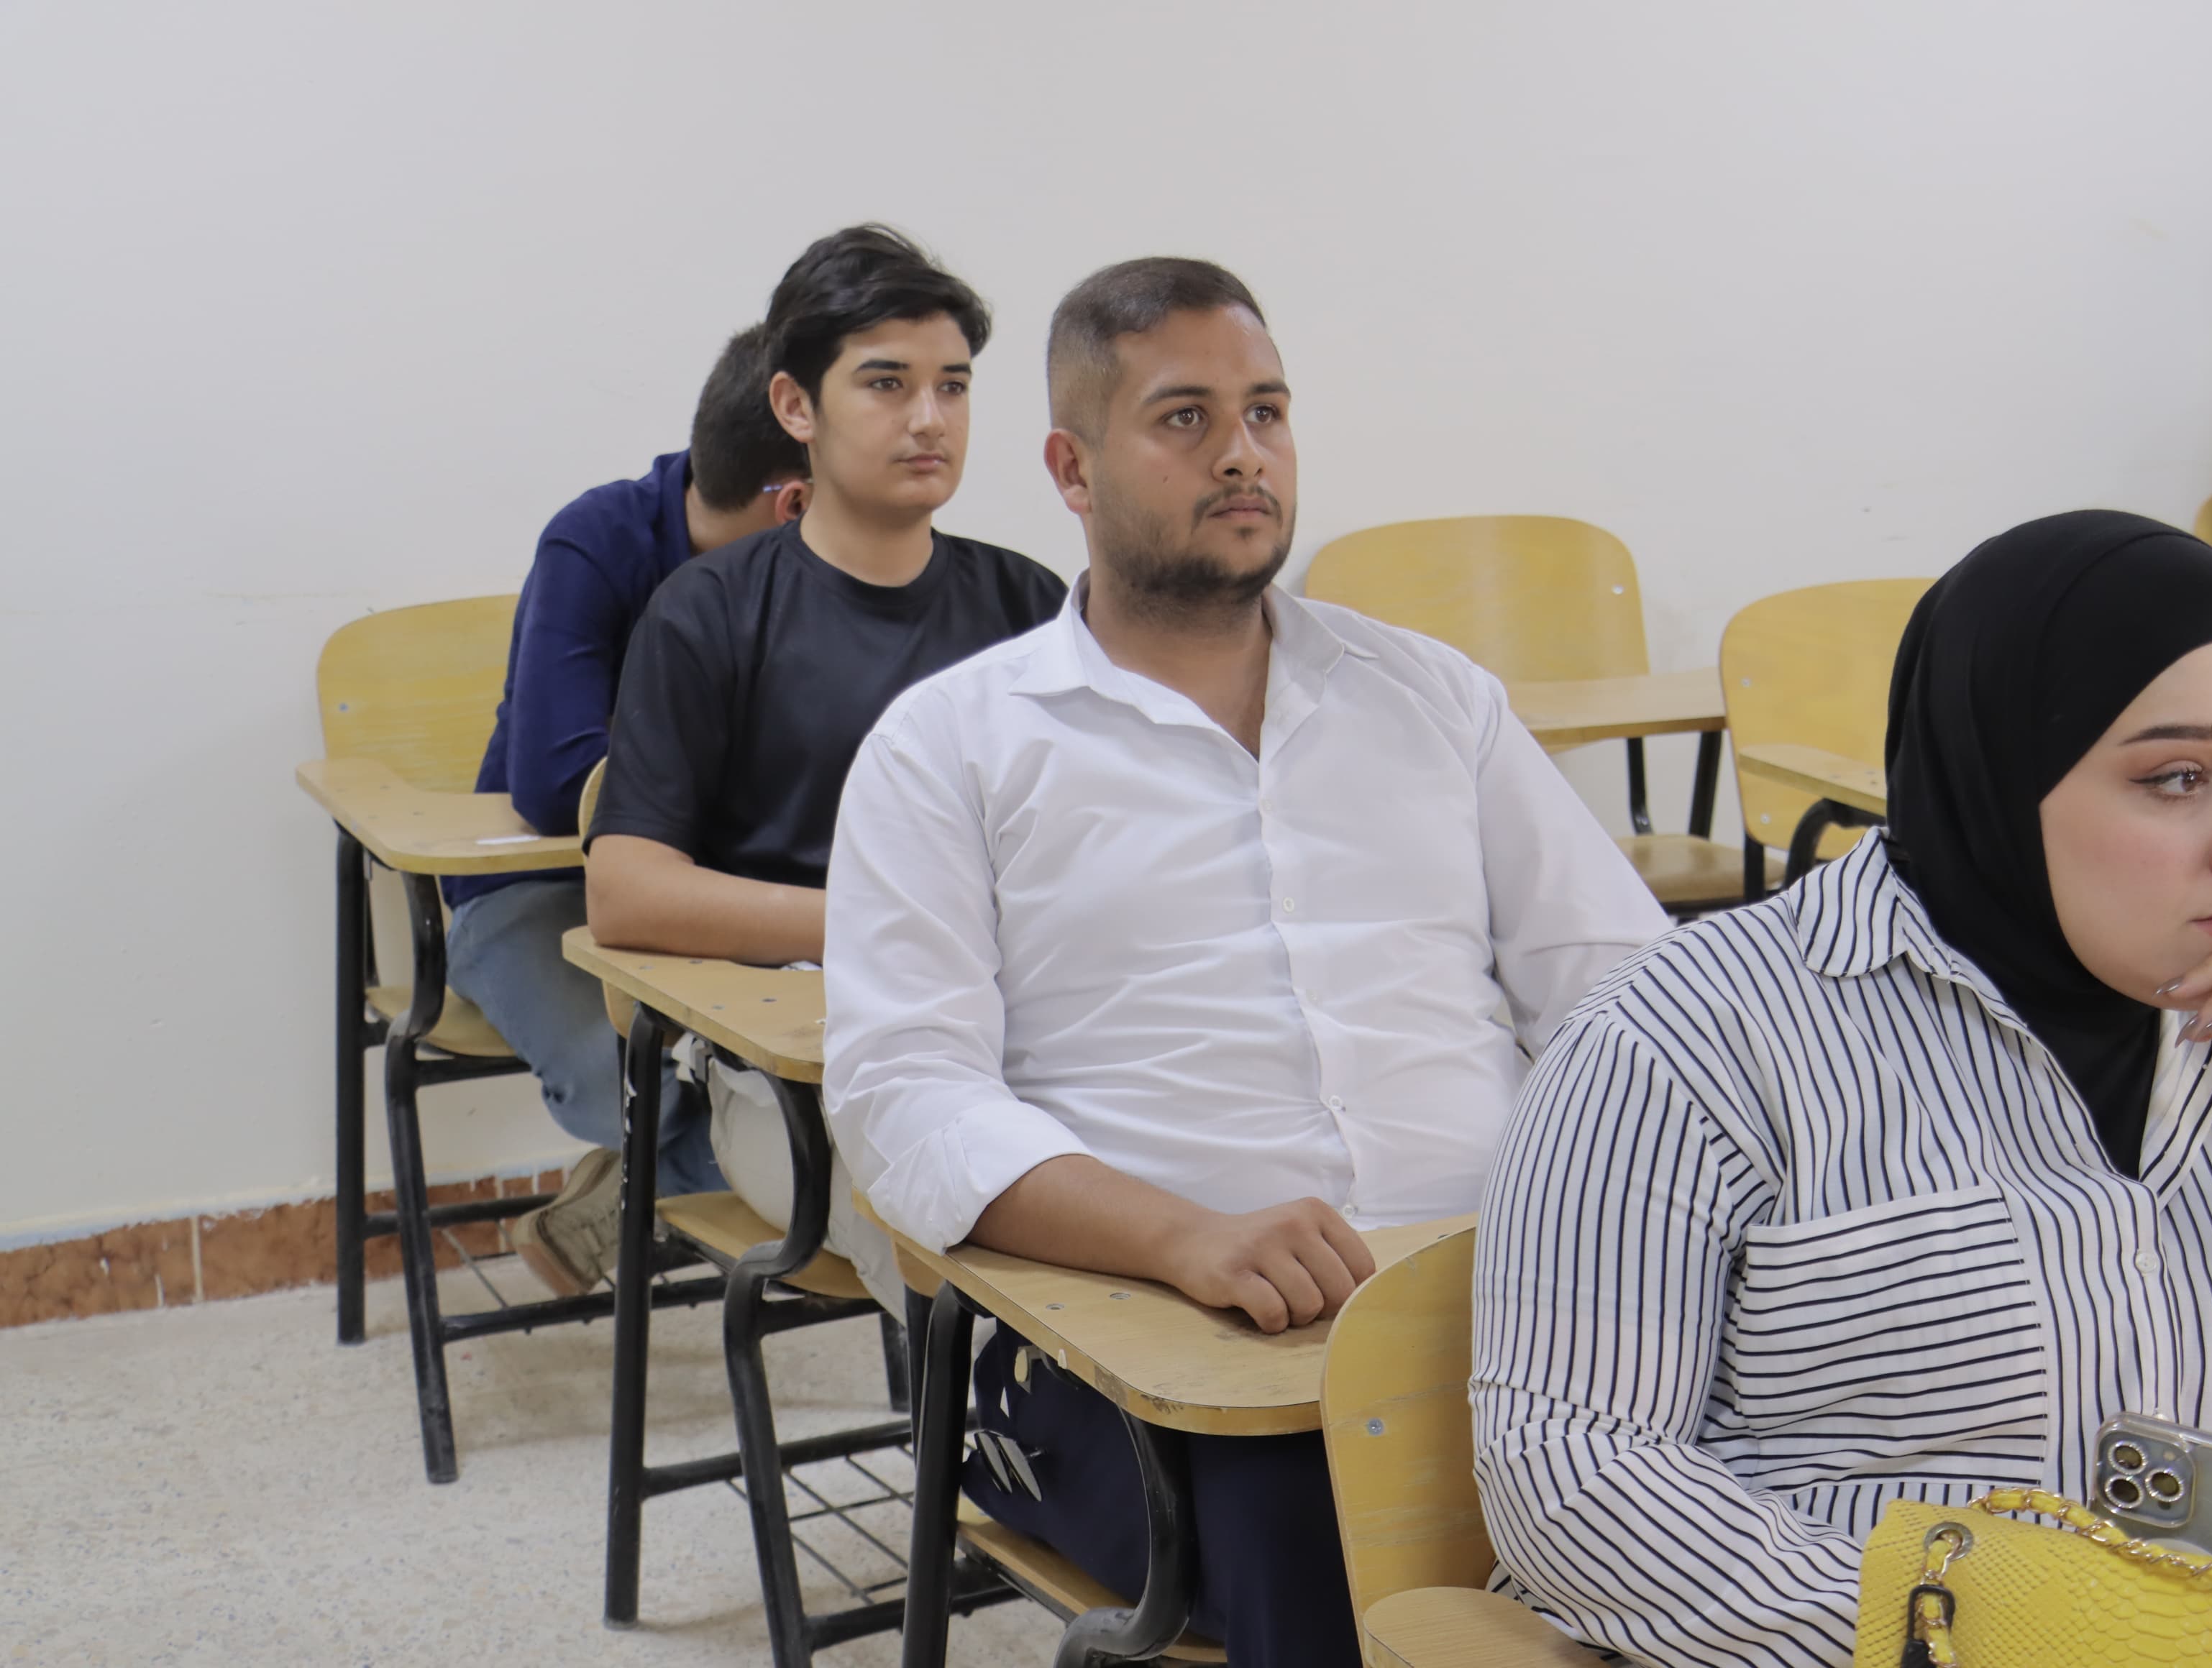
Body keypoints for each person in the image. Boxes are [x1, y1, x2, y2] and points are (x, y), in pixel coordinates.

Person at [819, 256, 1663, 1667]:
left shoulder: (1433, 699)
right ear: (1071, 469)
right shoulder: (952, 743)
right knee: (1331, 1534)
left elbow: (1627, 995)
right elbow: (906, 1100)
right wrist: (1184, 1237)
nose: (1243, 454)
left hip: (1506, 1300)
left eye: (1266, 412)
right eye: (1185, 418)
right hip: (1153, 1355)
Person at [1473, 512, 2212, 1666]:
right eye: (2176, 778)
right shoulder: (1691, 1041)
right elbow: (1570, 1480)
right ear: (2001, 780)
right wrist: (2014, 1639)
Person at [585, 225, 1064, 1303]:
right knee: (974, 1231)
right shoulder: (708, 611)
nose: (930, 418)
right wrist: (887, 923)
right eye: (887, 384)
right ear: (796, 408)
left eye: (954, 386)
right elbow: (624, 892)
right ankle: (1005, 1409)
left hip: (1012, 1032)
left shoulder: (1029, 605)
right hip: (792, 1072)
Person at [444, 324, 808, 1296]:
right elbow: (554, 783)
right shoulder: (597, 540)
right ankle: (667, 1184)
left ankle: (620, 1202)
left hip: (718, 896)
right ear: (797, 499)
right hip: (536, 895)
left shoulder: (817, 581)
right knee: (638, 1089)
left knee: (816, 1084)